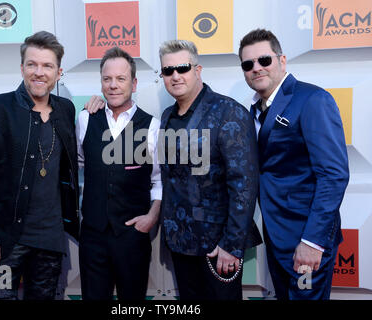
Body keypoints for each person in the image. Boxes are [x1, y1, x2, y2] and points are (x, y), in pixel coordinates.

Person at [0, 31, 79, 300]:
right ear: (22, 68)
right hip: (4, 244)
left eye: (47, 65)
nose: (39, 72)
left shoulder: (66, 110)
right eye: (32, 64)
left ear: (58, 72)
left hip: (49, 241)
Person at [238, 29, 349, 299]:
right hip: (277, 238)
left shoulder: (312, 100)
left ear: (282, 61)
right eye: (248, 64)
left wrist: (312, 242)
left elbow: (333, 175)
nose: (256, 68)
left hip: (306, 239)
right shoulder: (254, 110)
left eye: (264, 60)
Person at [158, 40, 262, 300]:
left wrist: (232, 245)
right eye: (167, 71)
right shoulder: (167, 116)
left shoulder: (229, 112)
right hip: (180, 242)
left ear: (198, 69)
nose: (175, 75)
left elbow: (244, 185)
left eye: (182, 68)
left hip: (218, 247)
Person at [76, 47, 162, 300]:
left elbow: (158, 179)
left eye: (121, 79)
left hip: (132, 237)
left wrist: (151, 218)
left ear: (133, 83)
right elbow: (81, 164)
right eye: (107, 79)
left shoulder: (153, 126)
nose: (113, 85)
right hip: (92, 236)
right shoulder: (84, 118)